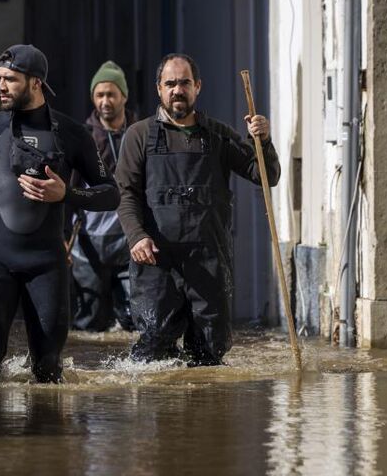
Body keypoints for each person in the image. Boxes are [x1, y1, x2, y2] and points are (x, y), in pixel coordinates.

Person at [0, 44, 120, 383]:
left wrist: (68, 194)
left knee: (48, 369)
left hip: (46, 264)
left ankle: (45, 436)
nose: (0, 87)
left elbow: (110, 194)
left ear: (36, 83)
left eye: (10, 80)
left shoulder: (73, 134)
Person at [114, 53, 280, 366]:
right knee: (153, 353)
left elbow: (266, 175)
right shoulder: (139, 136)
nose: (178, 90)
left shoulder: (218, 136)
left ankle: (205, 414)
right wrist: (136, 236)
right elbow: (125, 194)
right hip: (156, 262)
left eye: (185, 83)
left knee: (209, 355)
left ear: (197, 87)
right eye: (171, 83)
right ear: (159, 89)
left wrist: (264, 141)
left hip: (208, 263)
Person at [70, 60, 137, 332]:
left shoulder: (141, 133)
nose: (105, 101)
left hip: (130, 242)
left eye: (111, 94)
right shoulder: (82, 138)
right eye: (100, 95)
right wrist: (63, 239)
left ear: (124, 96)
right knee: (89, 325)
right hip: (89, 245)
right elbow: (68, 190)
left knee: (136, 321)